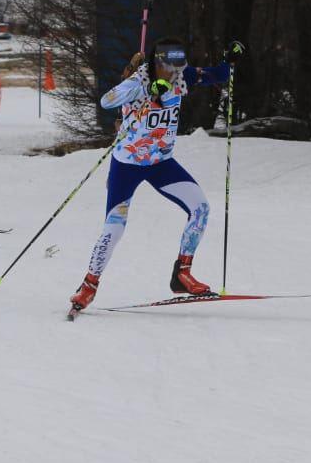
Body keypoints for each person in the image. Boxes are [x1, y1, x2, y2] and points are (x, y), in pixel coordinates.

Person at [69, 38, 244, 315]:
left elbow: (215, 76)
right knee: (114, 227)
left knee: (200, 208)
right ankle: (88, 286)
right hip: (127, 164)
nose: (174, 74)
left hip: (161, 162)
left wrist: (229, 61)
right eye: (168, 68)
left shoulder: (180, 76)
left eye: (178, 67)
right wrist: (145, 90)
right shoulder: (137, 83)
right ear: (156, 63)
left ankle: (182, 274)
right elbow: (106, 101)